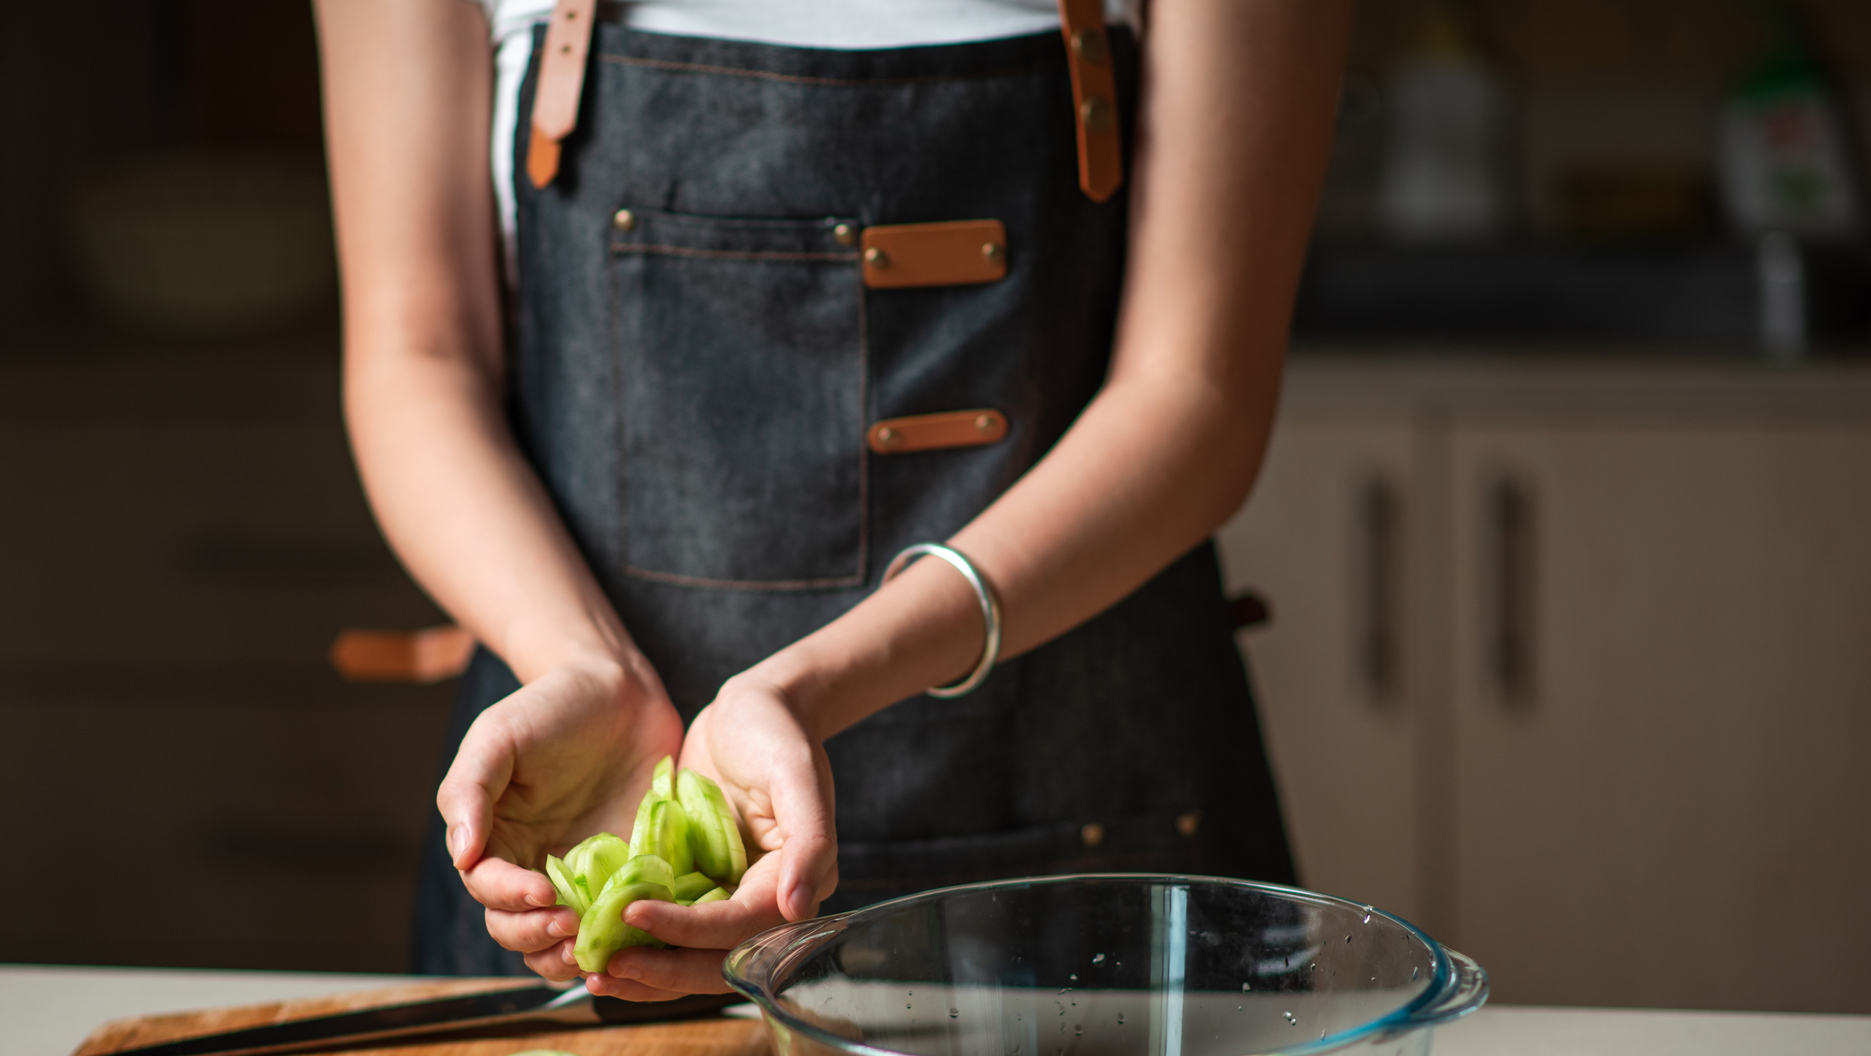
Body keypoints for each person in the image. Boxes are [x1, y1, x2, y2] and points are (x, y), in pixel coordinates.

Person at [314, 0, 1348, 1001]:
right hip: (587, 817)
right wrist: (584, 661)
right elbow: (417, 356)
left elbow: (1198, 397)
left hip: (1085, 839)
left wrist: (808, 687)